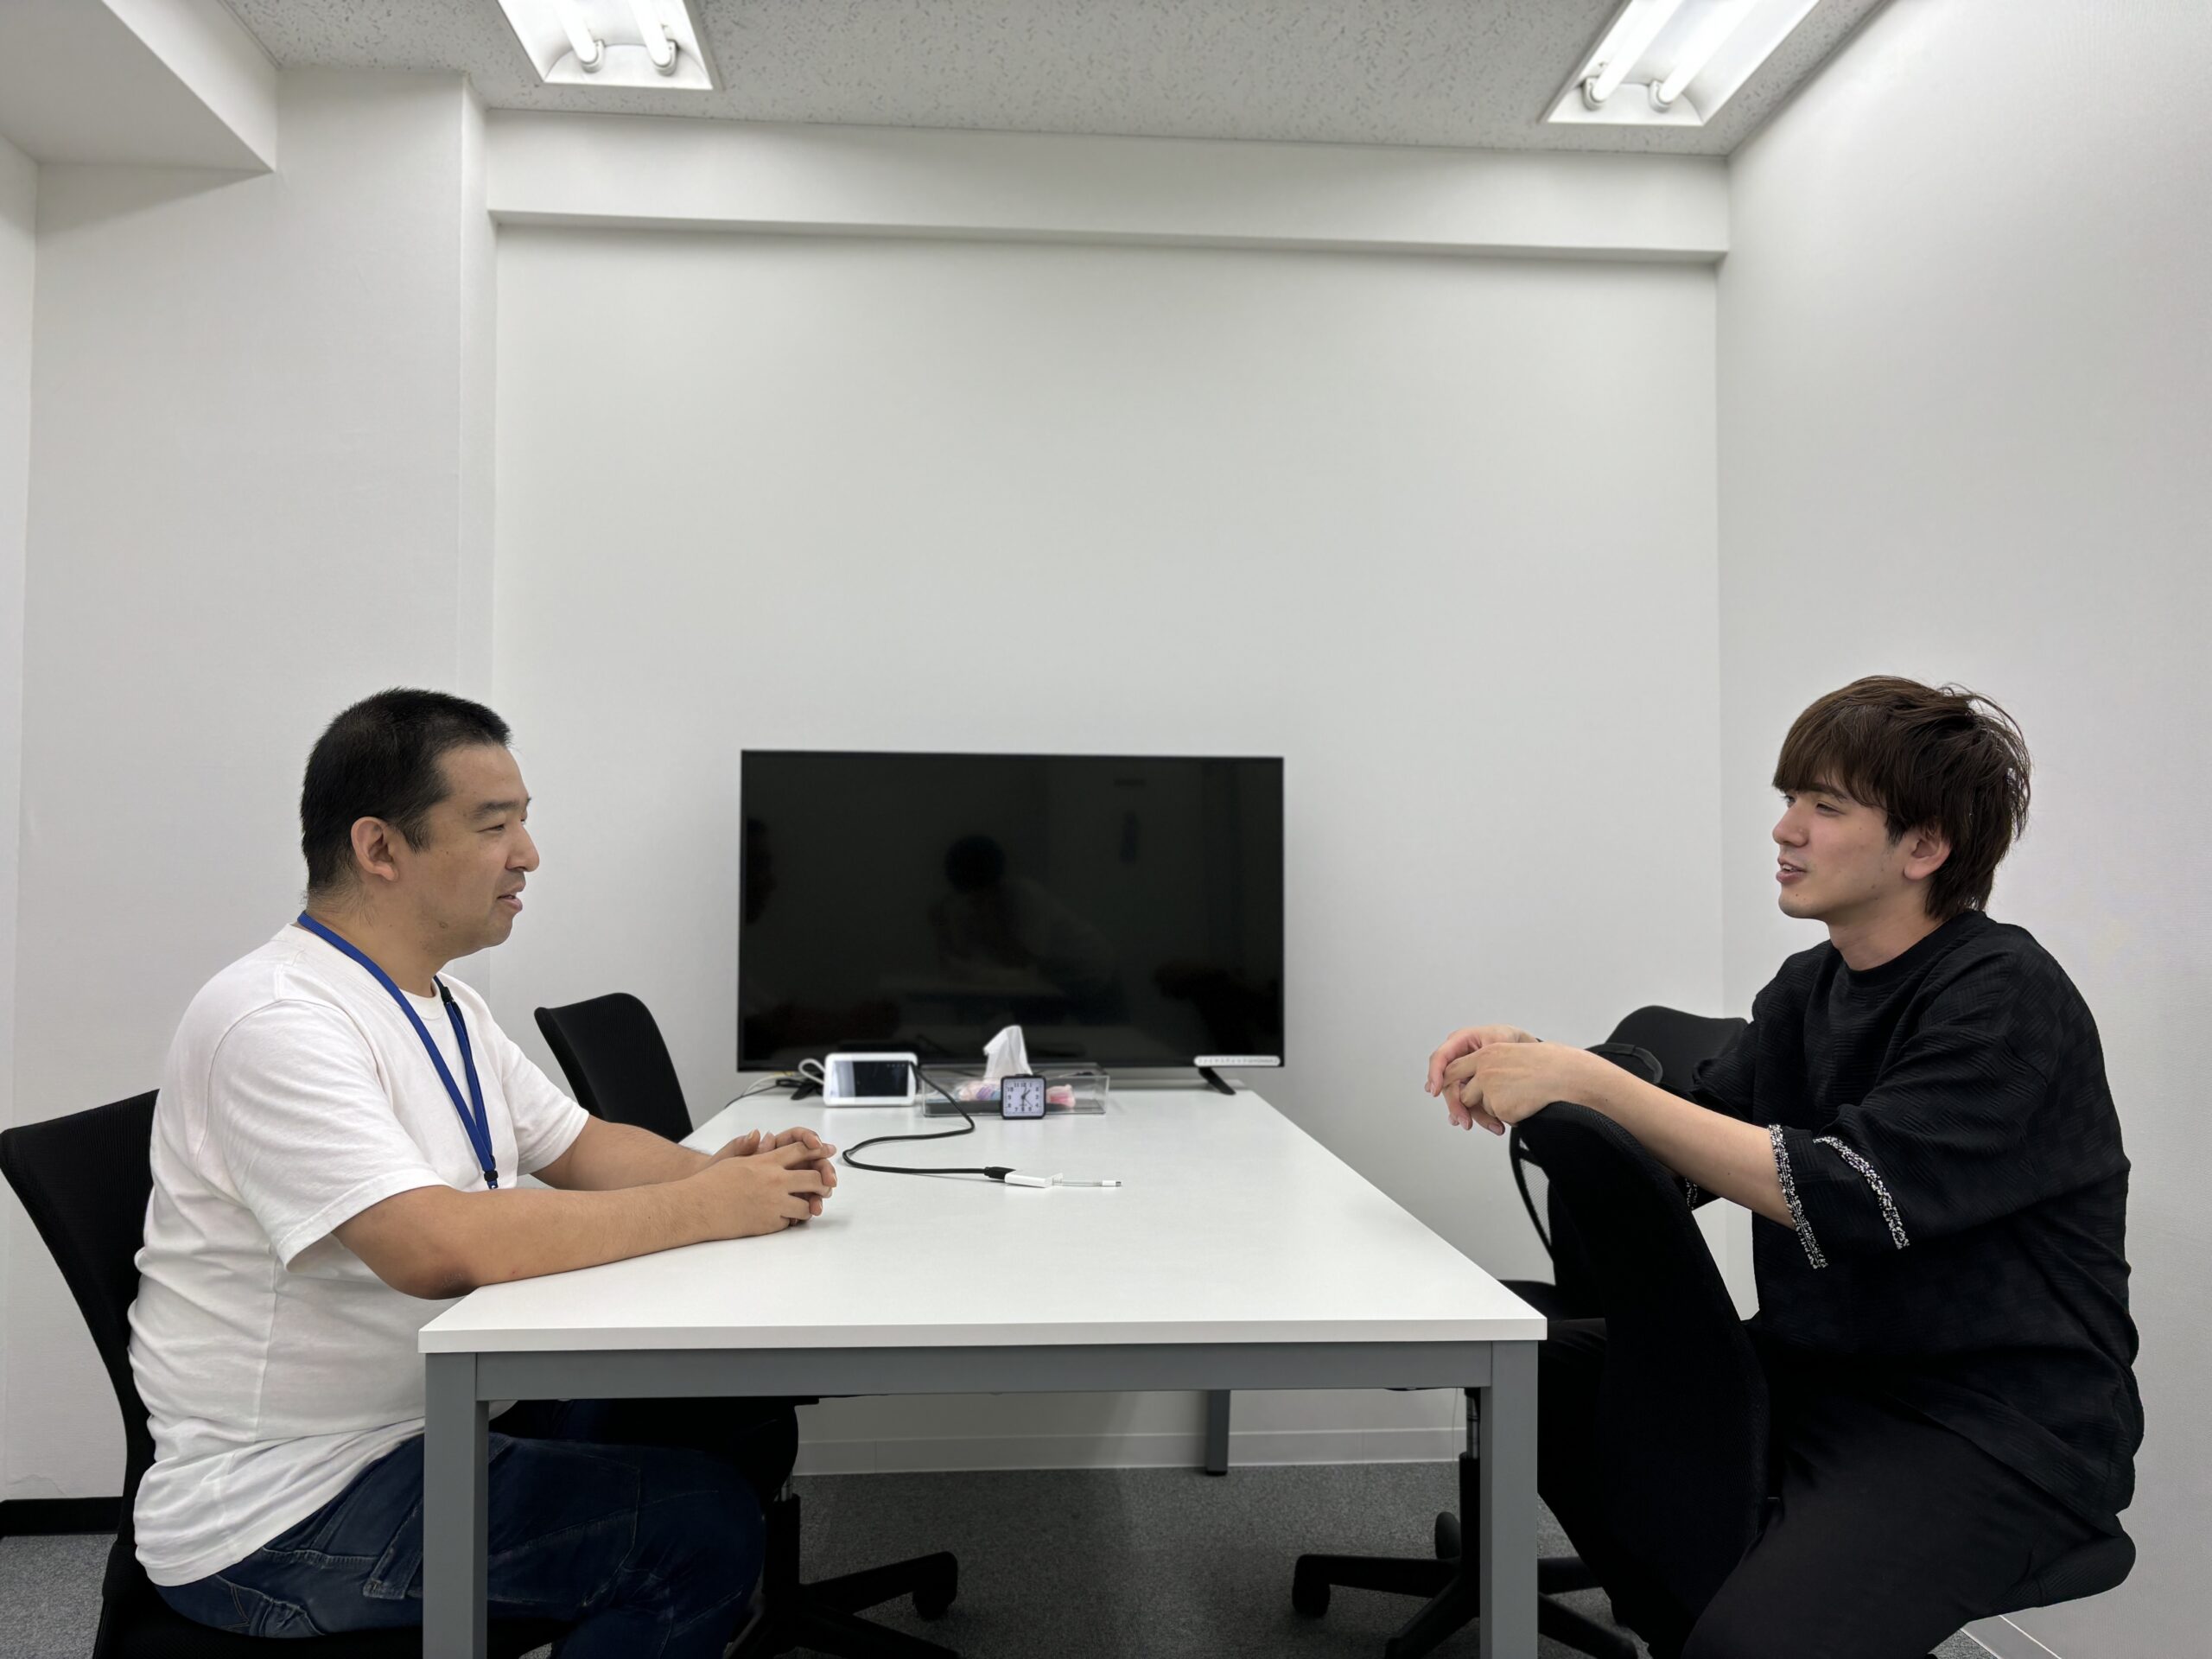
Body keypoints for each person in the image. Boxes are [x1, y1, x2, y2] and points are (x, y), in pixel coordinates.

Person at [1424, 677, 2140, 1659]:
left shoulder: (2006, 996)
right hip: (1819, 1372)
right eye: (1789, 799)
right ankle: (1683, 1623)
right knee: (1530, 1373)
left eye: (1826, 806)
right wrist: (1542, 1069)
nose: (1785, 829)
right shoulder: (1809, 987)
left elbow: (1852, 1192)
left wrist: (1589, 1083)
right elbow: (1683, 1156)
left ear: (1925, 847)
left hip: (1991, 1423)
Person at [128, 688, 839, 1655]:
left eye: (524, 822)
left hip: (446, 1413)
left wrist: (729, 1175)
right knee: (696, 1532)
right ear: (380, 848)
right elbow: (434, 1247)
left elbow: (580, 1147)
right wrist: (708, 1207)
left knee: (726, 1418)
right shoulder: (275, 1019)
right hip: (290, 1506)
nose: (528, 855)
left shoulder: (443, 1003)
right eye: (494, 825)